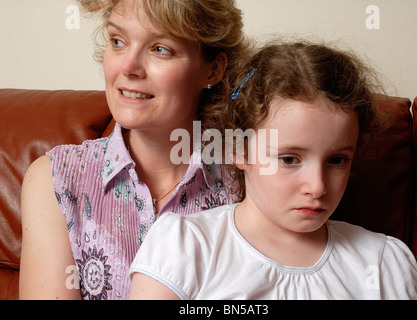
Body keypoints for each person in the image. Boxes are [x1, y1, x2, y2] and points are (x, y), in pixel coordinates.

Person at [128, 41, 417, 299]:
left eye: (337, 160)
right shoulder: (185, 246)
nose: (318, 186)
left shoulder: (384, 262)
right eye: (289, 159)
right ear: (239, 149)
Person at [19, 0, 250, 300]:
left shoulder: (247, 175)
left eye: (160, 49)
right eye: (118, 42)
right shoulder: (54, 180)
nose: (128, 67)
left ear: (214, 69)